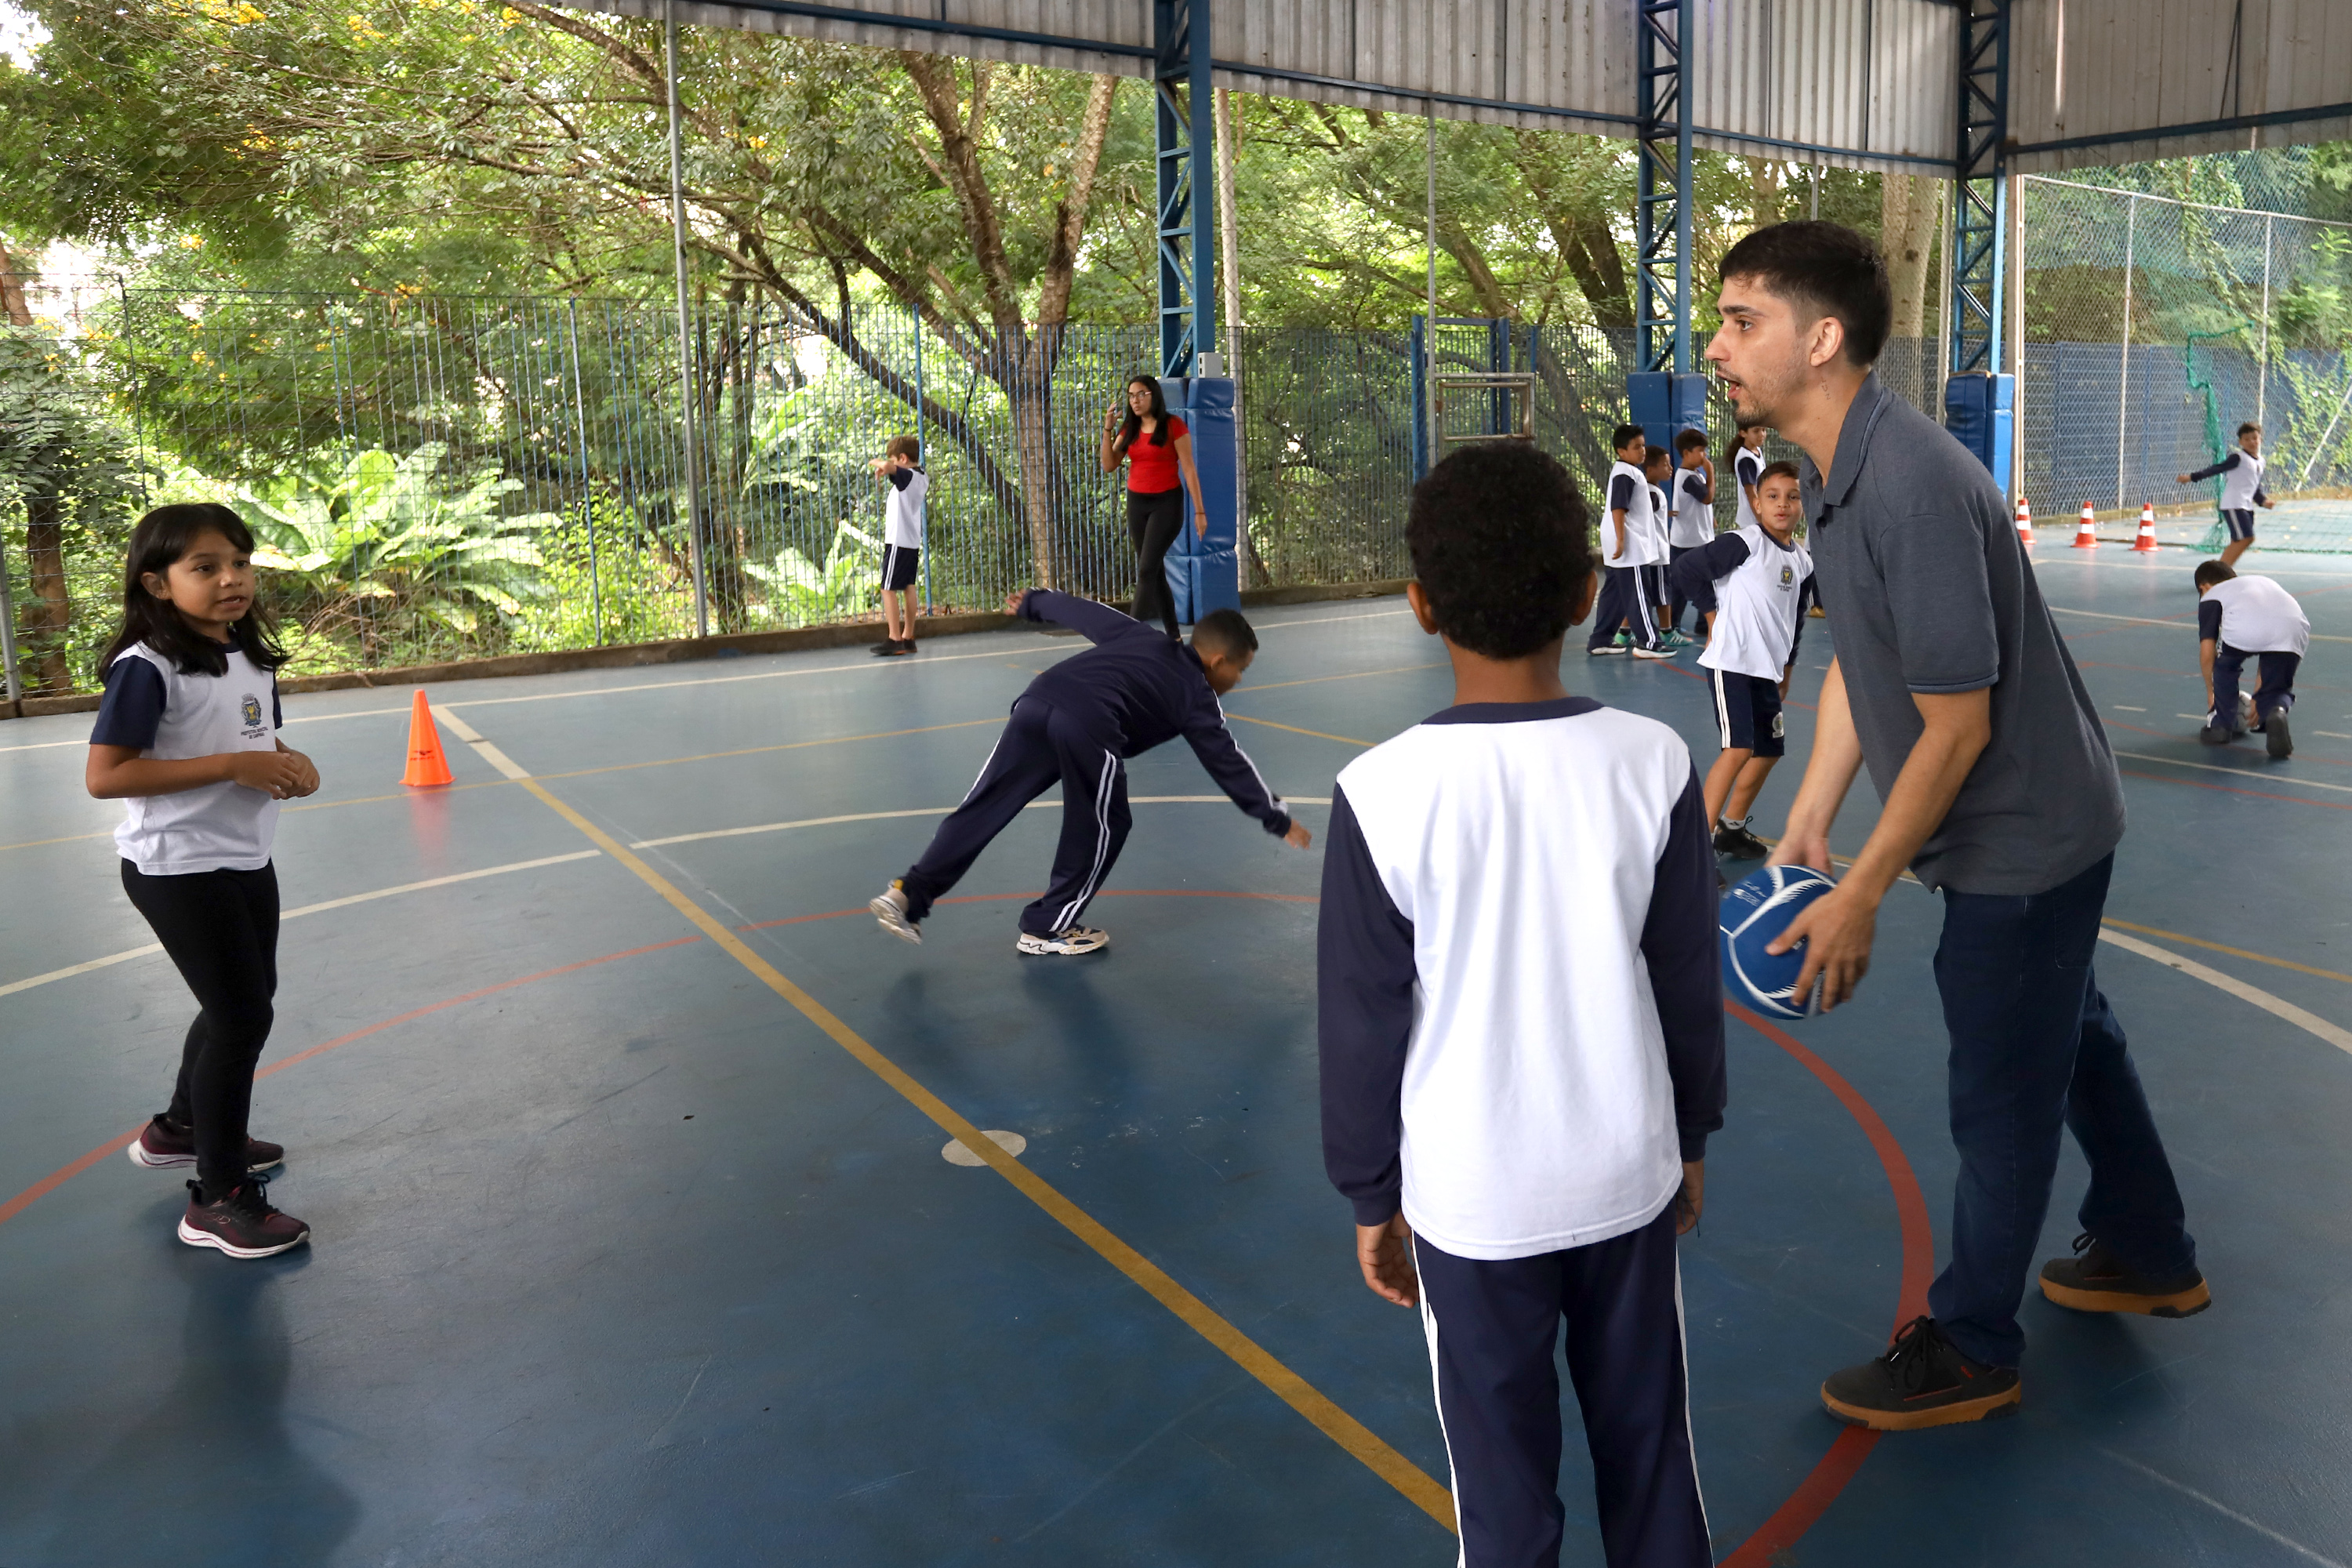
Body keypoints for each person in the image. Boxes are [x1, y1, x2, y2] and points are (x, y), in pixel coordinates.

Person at [1706, 220, 2206, 1432]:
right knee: (2070, 1033)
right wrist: (1810, 819)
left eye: (1741, 321)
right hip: (2041, 816)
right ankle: (2150, 1247)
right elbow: (1859, 665)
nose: (1716, 346)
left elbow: (1957, 727)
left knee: (2001, 1096)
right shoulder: (1838, 471)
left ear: (1821, 341)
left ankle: (1974, 1345)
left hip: (2020, 840)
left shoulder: (1912, 486)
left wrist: (1863, 889)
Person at [1320, 438, 1721, 1568]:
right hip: (1625, 1169)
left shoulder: (1379, 792)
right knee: (1650, 1451)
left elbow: (1360, 1022)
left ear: (1419, 606)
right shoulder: (1654, 762)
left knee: (1500, 1488)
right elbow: (1685, 981)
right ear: (1591, 590)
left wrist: (1372, 1195)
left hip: (1473, 1197)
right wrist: (1691, 1138)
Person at [85, 503, 321, 1260]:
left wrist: (287, 761)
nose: (231, 580)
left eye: (240, 563)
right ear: (158, 583)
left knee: (244, 1002)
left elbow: (253, 735)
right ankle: (217, 1199)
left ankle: (181, 1128)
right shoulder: (147, 667)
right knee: (241, 1016)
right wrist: (231, 767)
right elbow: (106, 776)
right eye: (206, 567)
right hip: (177, 866)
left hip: (245, 854)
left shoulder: (249, 655)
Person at [869, 590, 1308, 954]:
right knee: (1106, 824)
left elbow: (1087, 613)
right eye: (1240, 669)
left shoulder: (1144, 637)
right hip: (1089, 723)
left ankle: (907, 892)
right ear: (1216, 661)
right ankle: (1047, 927)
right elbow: (1227, 761)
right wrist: (1275, 817)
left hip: (1037, 701)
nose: (1239, 679)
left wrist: (1035, 603)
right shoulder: (1197, 696)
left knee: (984, 806)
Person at [1668, 459, 1815, 862]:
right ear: (1757, 502)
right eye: (1773, 496)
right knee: (1737, 749)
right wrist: (1711, 615)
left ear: (1804, 505)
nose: (1782, 504)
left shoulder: (1803, 562)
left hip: (1767, 669)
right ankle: (1695, 852)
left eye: (1793, 497)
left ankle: (1730, 829)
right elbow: (1685, 569)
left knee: (1768, 751)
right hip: (1732, 661)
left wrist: (1787, 668)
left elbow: (1796, 619)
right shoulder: (1745, 542)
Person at [1100, 376, 1208, 639]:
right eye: (1130, 396)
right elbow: (1109, 464)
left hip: (1167, 504)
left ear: (1154, 395)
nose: (1135, 401)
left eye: (1141, 394)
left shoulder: (1174, 426)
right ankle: (1174, 636)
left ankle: (1127, 636)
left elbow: (1189, 469)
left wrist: (1199, 511)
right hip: (1138, 504)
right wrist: (1107, 430)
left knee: (1147, 569)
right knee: (1155, 571)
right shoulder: (1129, 429)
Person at [2194, 559, 2307, 759]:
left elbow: (2207, 651)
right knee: (2277, 688)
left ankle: (2222, 726)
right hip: (2294, 628)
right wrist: (2259, 695)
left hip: (2245, 632)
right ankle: (2276, 711)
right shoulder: (2258, 583)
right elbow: (2268, 645)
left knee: (2225, 667)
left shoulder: (2211, 595)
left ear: (2203, 588)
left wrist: (2212, 693)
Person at [1586, 424, 1674, 659]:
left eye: (1643, 445)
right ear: (1621, 451)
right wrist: (1622, 539)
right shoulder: (1625, 473)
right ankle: (1649, 642)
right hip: (1629, 544)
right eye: (1637, 447)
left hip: (1623, 542)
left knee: (1614, 594)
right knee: (1638, 593)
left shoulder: (1628, 471)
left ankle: (1600, 639)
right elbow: (1618, 507)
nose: (1642, 450)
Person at [2178, 422, 2271, 569]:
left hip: (2246, 506)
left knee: (2239, 541)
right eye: (2247, 439)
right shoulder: (2238, 458)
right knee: (2246, 538)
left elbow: (2254, 486)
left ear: (2261, 440)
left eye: (2255, 438)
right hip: (2234, 504)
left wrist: (2263, 501)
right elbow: (2217, 468)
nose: (2252, 442)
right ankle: (2220, 572)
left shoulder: (2261, 461)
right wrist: (2192, 477)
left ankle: (2222, 571)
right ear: (2241, 442)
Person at [870, 435, 928, 658]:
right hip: (910, 542)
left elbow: (889, 468)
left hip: (898, 541)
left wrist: (877, 463)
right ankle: (908, 637)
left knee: (888, 588)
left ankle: (895, 638)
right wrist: (888, 469)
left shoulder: (909, 477)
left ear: (903, 459)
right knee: (908, 587)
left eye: (894, 459)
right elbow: (895, 473)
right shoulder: (920, 476)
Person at [1662, 427, 1715, 642]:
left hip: (1697, 538)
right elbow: (1707, 498)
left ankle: (1701, 624)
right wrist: (1711, 472)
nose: (1704, 456)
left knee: (1705, 582)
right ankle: (1671, 625)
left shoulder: (1693, 475)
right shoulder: (1687, 477)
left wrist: (1710, 518)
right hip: (1689, 541)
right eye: (1700, 451)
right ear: (1686, 453)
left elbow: (1700, 504)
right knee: (1681, 586)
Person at [1724, 421, 1768, 533]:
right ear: (1743, 433)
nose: (1762, 434)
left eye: (1764, 430)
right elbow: (1750, 492)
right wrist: (1762, 519)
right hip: (1752, 521)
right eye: (1756, 431)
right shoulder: (1746, 459)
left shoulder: (1756, 450)